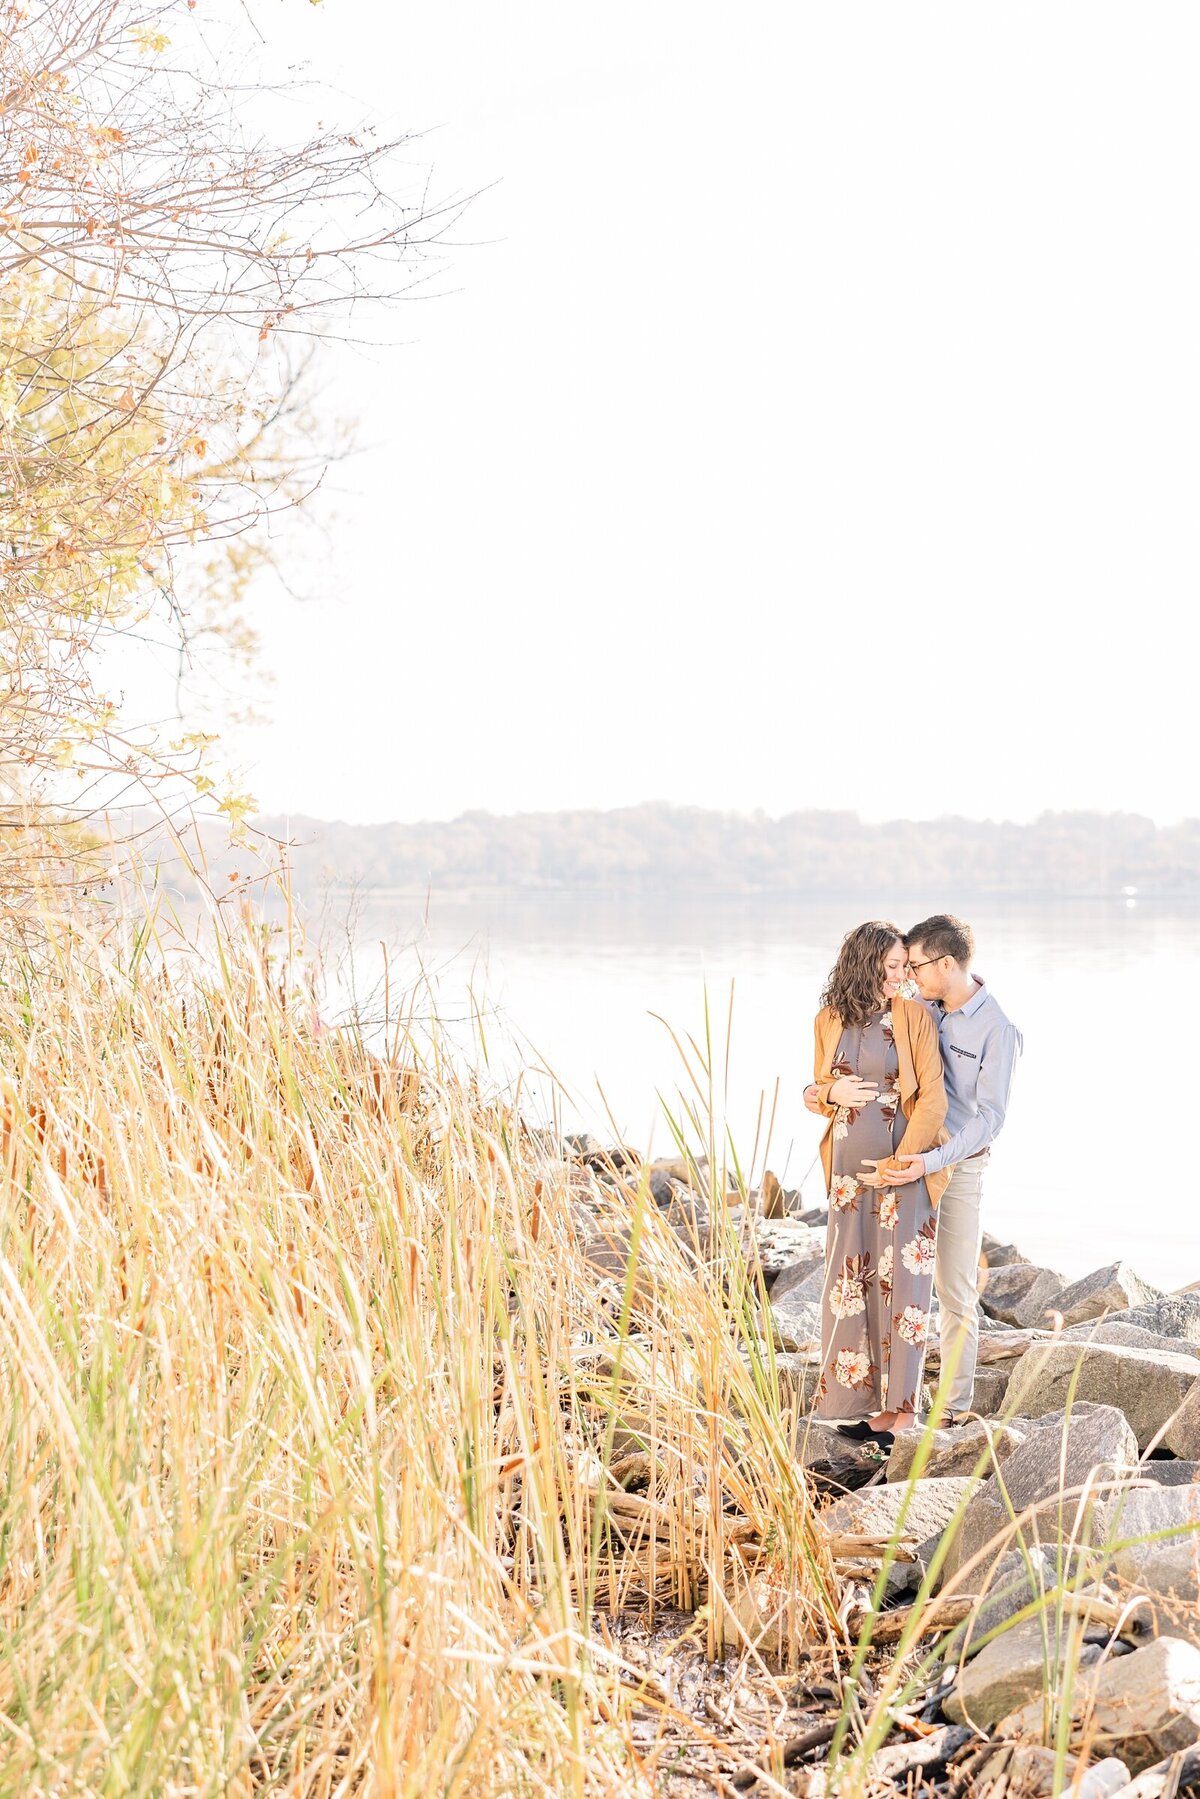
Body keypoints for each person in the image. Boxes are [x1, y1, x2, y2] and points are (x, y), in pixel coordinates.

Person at [808, 921, 951, 1451]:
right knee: (850, 1285)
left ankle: (902, 1413)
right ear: (863, 964)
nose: (901, 976)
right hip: (847, 1175)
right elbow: (818, 1091)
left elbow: (932, 1100)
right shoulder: (828, 1019)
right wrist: (827, 1091)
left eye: (904, 967)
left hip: (903, 1169)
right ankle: (860, 1405)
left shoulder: (913, 1017)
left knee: (905, 1287)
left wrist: (901, 1161)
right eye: (891, 967)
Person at [884, 914, 1022, 1424]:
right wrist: (820, 1090)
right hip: (906, 1159)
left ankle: (954, 1409)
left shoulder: (997, 1030)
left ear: (947, 963)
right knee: (892, 1279)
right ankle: (892, 1400)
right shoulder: (919, 1005)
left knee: (954, 1288)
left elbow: (990, 1119)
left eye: (916, 965)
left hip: (958, 1167)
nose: (910, 974)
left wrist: (933, 1160)